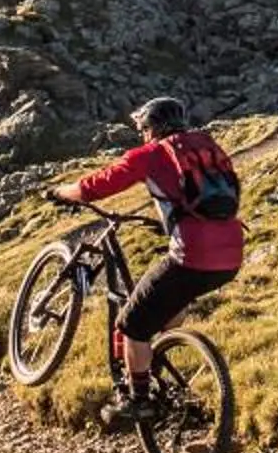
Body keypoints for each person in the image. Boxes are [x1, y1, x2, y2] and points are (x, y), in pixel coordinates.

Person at [51, 96, 242, 418]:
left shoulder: (151, 154)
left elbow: (96, 186)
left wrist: (60, 193)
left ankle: (138, 399)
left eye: (142, 129)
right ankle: (160, 371)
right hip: (230, 254)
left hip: (191, 254)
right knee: (162, 306)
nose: (141, 134)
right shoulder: (206, 147)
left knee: (131, 325)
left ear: (151, 128)